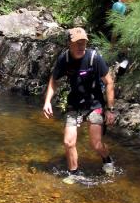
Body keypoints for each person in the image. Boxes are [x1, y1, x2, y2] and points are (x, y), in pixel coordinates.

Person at [43, 27, 116, 183]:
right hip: (74, 104)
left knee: (95, 144)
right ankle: (74, 173)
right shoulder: (64, 59)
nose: (81, 46)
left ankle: (107, 159)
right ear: (69, 44)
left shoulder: (94, 58)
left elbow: (109, 82)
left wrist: (110, 109)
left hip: (94, 104)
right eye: (77, 43)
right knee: (68, 142)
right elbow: (53, 80)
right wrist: (47, 101)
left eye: (83, 42)